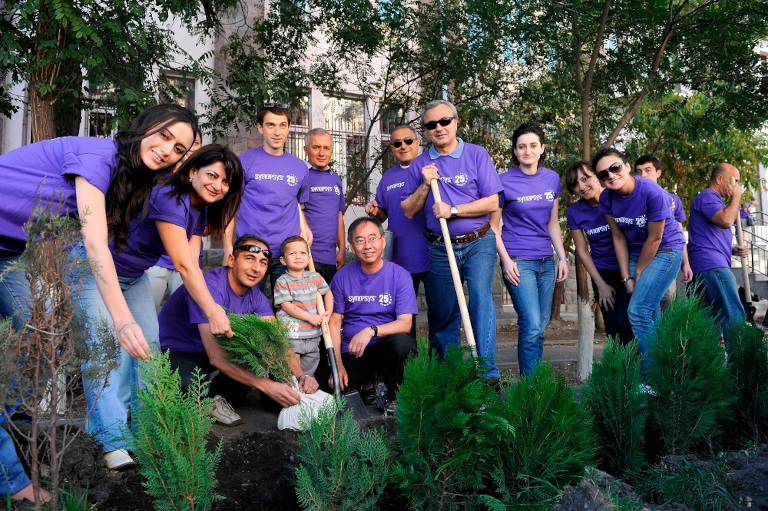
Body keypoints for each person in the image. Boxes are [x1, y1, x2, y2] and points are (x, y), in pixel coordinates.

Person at [0, 104, 198, 489]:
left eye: (178, 150)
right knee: (35, 342)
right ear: (144, 126)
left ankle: (21, 428)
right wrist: (122, 320)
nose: (167, 150)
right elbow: (94, 245)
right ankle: (14, 481)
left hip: (10, 251)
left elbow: (58, 230)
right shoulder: (99, 155)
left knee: (40, 342)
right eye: (164, 136)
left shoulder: (131, 180)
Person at [82, 143, 242, 469]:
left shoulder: (200, 209)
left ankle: (146, 436)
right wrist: (213, 310)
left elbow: (193, 263)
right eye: (212, 175)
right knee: (106, 351)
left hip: (133, 275)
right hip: (97, 271)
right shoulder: (171, 196)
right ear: (193, 170)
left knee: (148, 351)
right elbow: (183, 264)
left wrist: (210, 306)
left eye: (225, 182)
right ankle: (111, 442)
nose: (218, 185)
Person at [159, 235, 318, 427]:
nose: (256, 268)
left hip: (216, 356)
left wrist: (301, 377)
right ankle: (203, 403)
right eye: (249, 259)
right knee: (192, 383)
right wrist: (266, 385)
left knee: (259, 363)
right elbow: (216, 356)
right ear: (232, 260)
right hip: (176, 353)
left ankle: (212, 402)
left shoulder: (257, 298)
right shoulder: (210, 286)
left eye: (263, 262)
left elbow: (278, 343)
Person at [400, 100, 502, 382]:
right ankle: (451, 376)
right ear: (426, 131)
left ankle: (486, 373)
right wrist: (424, 184)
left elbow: (493, 201)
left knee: (481, 300)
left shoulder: (477, 155)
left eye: (444, 121)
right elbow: (409, 210)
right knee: (444, 311)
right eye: (431, 124)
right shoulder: (420, 164)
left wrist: (453, 210)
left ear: (456, 122)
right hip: (440, 246)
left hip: (478, 241)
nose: (439, 128)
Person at [595, 147, 686, 366]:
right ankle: (665, 371)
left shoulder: (652, 192)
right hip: (636, 251)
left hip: (666, 250)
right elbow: (618, 237)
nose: (610, 175)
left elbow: (655, 238)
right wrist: (626, 277)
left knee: (638, 311)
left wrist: (637, 271)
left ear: (626, 167)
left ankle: (650, 378)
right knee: (651, 316)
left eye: (615, 167)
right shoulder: (607, 198)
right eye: (603, 174)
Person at [491, 122, 569, 376]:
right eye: (522, 146)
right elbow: (493, 227)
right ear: (515, 151)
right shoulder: (503, 181)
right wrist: (505, 261)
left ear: (542, 148)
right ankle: (529, 387)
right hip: (518, 260)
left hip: (546, 261)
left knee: (540, 326)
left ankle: (535, 384)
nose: (528, 151)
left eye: (533, 146)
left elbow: (553, 222)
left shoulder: (551, 178)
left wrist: (562, 257)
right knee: (532, 323)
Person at [319, 217, 417, 414]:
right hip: (354, 351)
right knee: (329, 391)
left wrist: (371, 331)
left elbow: (405, 324)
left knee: (402, 345)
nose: (367, 246)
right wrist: (337, 364)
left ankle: (392, 395)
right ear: (352, 247)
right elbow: (334, 321)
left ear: (383, 241)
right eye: (360, 240)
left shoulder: (400, 275)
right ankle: (368, 386)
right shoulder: (342, 277)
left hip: (387, 348)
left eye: (372, 238)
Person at [223, 103, 311, 295]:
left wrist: (306, 229)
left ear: (288, 128)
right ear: (260, 127)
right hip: (250, 251)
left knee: (288, 311)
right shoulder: (244, 162)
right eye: (271, 125)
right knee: (249, 312)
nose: (277, 131)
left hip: (286, 253)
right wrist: (227, 248)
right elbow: (230, 208)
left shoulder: (300, 168)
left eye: (282, 125)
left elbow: (296, 203)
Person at [365, 124, 430, 339]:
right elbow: (384, 215)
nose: (403, 146)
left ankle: (439, 367)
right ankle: (409, 368)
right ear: (392, 148)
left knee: (440, 315)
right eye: (397, 143)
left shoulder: (430, 168)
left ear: (418, 142)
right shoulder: (388, 178)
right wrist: (376, 212)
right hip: (400, 258)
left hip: (433, 254)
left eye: (409, 141)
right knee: (403, 317)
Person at [565, 161, 633, 345]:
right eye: (575, 184)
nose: (581, 187)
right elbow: (582, 250)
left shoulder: (616, 198)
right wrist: (601, 284)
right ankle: (619, 372)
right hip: (602, 273)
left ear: (597, 176)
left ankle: (639, 370)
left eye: (585, 179)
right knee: (611, 327)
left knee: (625, 323)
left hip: (628, 269)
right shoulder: (575, 212)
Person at [687, 163, 747, 340]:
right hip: (712, 265)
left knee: (708, 320)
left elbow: (708, 236)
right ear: (719, 179)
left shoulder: (713, 201)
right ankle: (739, 363)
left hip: (706, 263)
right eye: (734, 181)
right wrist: (736, 197)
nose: (736, 186)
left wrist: (733, 250)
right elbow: (727, 220)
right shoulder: (708, 196)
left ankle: (711, 366)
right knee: (734, 314)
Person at [147, 132, 203, 313]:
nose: (192, 147)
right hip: (157, 260)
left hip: (187, 261)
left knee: (180, 314)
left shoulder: (202, 183)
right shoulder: (159, 176)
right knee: (149, 310)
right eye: (188, 143)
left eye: (197, 143)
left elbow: (203, 229)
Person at [634, 155, 693, 309]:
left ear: (658, 173)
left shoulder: (673, 199)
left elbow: (679, 233)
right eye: (639, 171)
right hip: (641, 256)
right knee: (642, 301)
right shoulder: (633, 200)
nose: (643, 175)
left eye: (648, 170)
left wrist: (685, 263)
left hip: (666, 255)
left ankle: (665, 333)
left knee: (667, 298)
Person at [274, 235, 333, 376]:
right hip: (292, 337)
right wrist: (310, 317)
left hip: (313, 336)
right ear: (283, 260)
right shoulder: (283, 281)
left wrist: (328, 311)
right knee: (291, 374)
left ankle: (305, 394)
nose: (298, 256)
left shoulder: (315, 277)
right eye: (292, 253)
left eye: (302, 253)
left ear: (308, 258)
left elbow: (328, 293)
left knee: (308, 374)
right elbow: (286, 305)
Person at [303, 128, 346, 284]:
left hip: (330, 257)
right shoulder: (301, 175)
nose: (322, 153)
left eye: (326, 148)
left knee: (328, 305)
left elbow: (339, 216)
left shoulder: (335, 179)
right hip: (306, 256)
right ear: (306, 150)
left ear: (332, 151)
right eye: (316, 147)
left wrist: (341, 250)